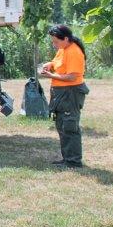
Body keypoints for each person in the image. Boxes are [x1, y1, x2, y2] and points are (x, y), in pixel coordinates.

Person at [38, 24, 89, 167]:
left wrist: (51, 75)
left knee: (69, 126)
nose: (54, 45)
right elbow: (58, 63)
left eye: (56, 41)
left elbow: (72, 77)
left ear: (65, 39)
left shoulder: (74, 51)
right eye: (53, 42)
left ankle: (73, 161)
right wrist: (50, 64)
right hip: (61, 94)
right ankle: (67, 158)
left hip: (71, 93)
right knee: (62, 125)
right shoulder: (63, 49)